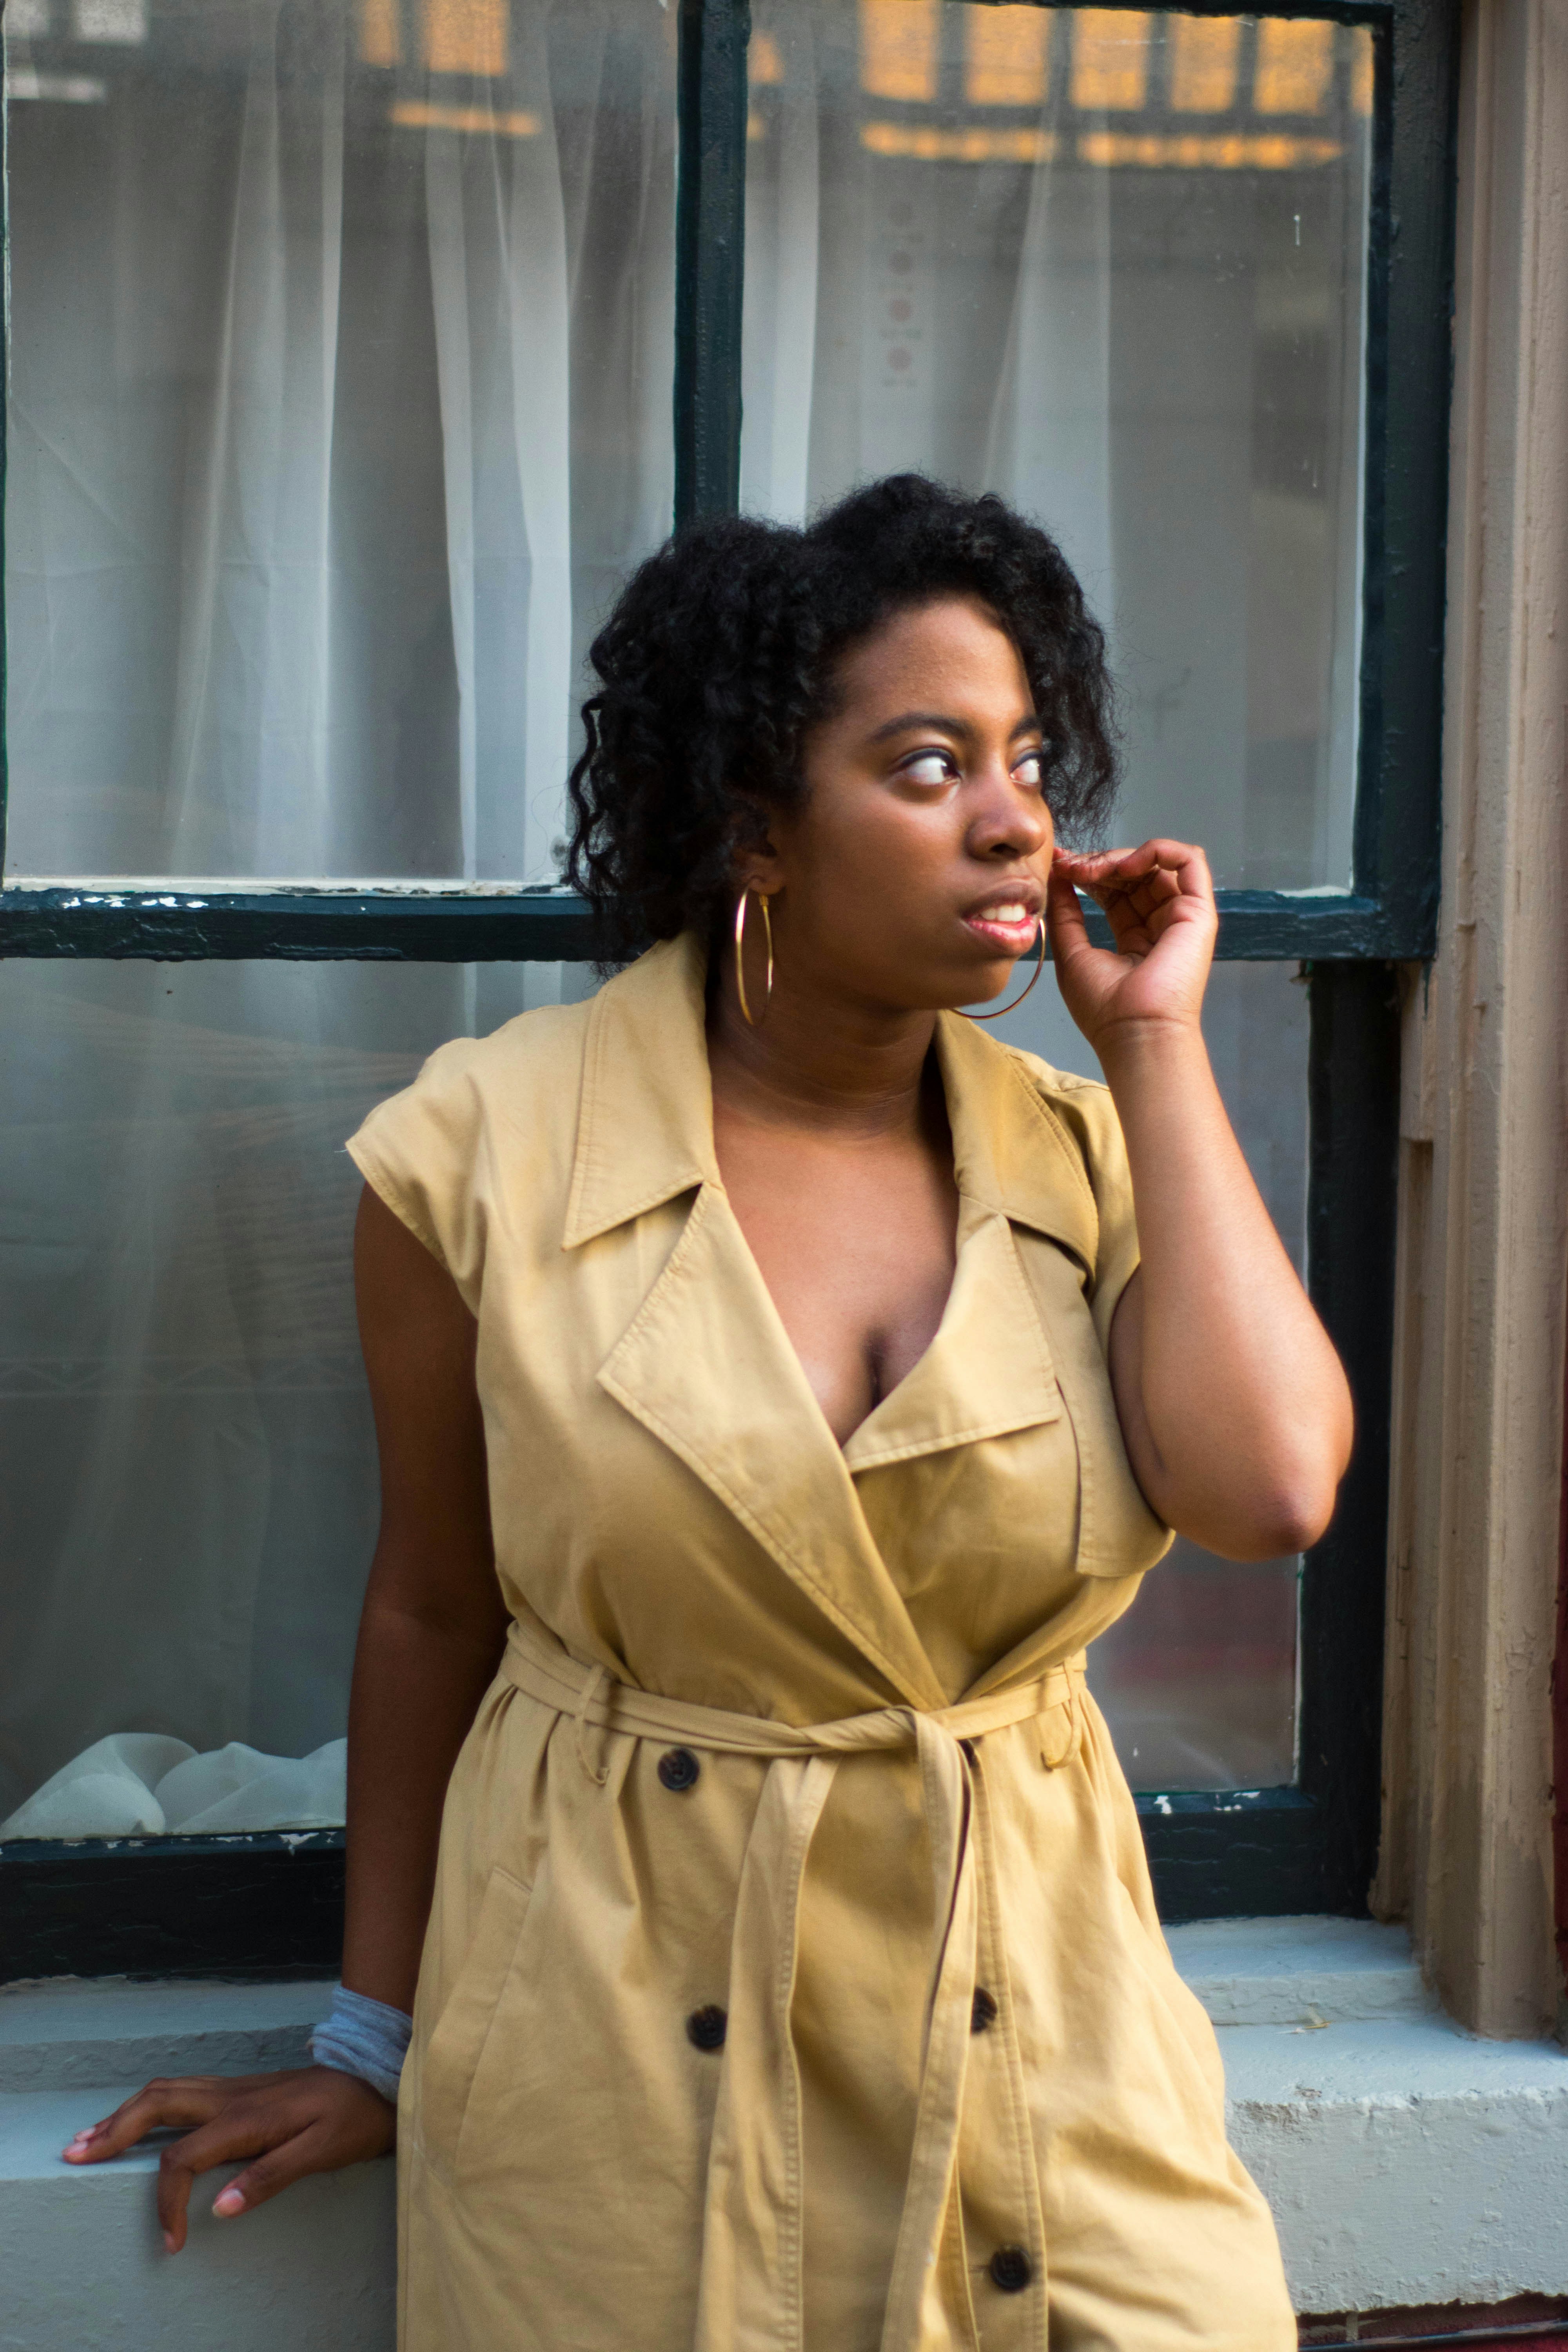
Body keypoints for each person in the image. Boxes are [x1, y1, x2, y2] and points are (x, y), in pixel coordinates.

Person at [65, 475, 1352, 2350]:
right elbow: (433, 1607)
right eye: (927, 768)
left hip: (1043, 2061)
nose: (1015, 821)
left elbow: (1271, 1492)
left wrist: (1153, 1042)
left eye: (1023, 758)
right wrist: (371, 2044)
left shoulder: (1091, 1151)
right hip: (613, 2076)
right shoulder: (481, 1157)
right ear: (757, 823)